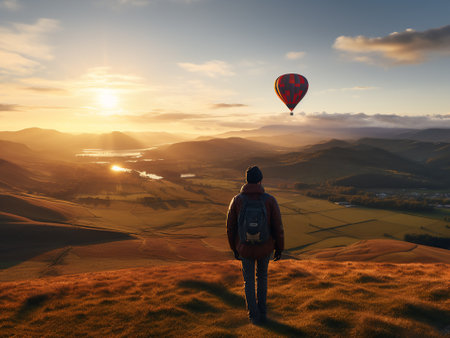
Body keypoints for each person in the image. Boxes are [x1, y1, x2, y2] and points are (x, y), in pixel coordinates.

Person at [226, 166, 284, 325]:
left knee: (249, 281)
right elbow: (278, 227)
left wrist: (234, 248)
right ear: (260, 181)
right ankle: (263, 313)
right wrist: (279, 249)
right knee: (262, 277)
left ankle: (253, 316)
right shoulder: (269, 200)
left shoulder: (237, 200)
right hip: (265, 247)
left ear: (246, 180)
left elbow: (230, 228)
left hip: (244, 248)